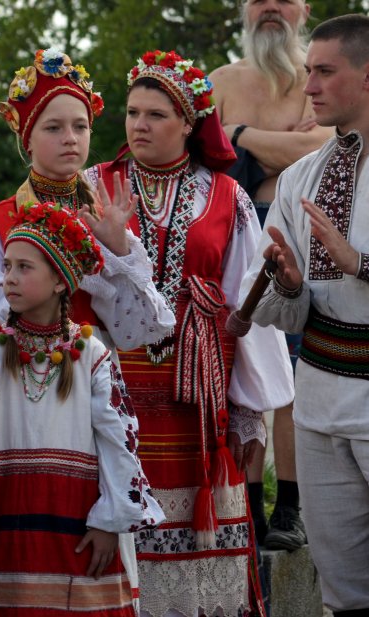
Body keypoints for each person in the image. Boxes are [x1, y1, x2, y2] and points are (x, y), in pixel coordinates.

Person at [0, 47, 176, 600]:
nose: (70, 138)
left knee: (88, 555)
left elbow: (143, 329)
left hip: (88, 407)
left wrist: (117, 248)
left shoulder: (109, 220)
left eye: (80, 126)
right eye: (53, 127)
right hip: (16, 412)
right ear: (26, 138)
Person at [85, 49, 294, 617]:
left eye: (155, 114)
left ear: (187, 123)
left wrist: (249, 405)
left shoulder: (225, 196)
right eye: (132, 112)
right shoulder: (92, 185)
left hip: (199, 392)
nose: (138, 125)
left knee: (200, 523)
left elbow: (245, 301)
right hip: (112, 383)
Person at [0, 202, 165, 616]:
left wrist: (109, 519)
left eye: (24, 268)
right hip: (4, 523)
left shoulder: (91, 355)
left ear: (60, 281)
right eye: (6, 266)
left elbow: (119, 442)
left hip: (76, 525)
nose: (9, 278)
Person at [242, 14, 369, 614]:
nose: (309, 85)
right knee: (342, 585)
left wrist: (360, 262)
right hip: (318, 399)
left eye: (324, 71)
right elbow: (274, 306)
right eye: (308, 71)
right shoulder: (298, 180)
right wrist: (288, 286)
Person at [210, 0, 333, 551]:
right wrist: (286, 145)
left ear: (304, 8)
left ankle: (290, 508)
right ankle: (248, 508)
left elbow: (323, 148)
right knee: (245, 366)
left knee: (295, 365)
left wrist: (239, 136)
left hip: (305, 231)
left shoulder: (325, 71)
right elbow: (205, 158)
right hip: (232, 232)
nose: (271, 8)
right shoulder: (218, 82)